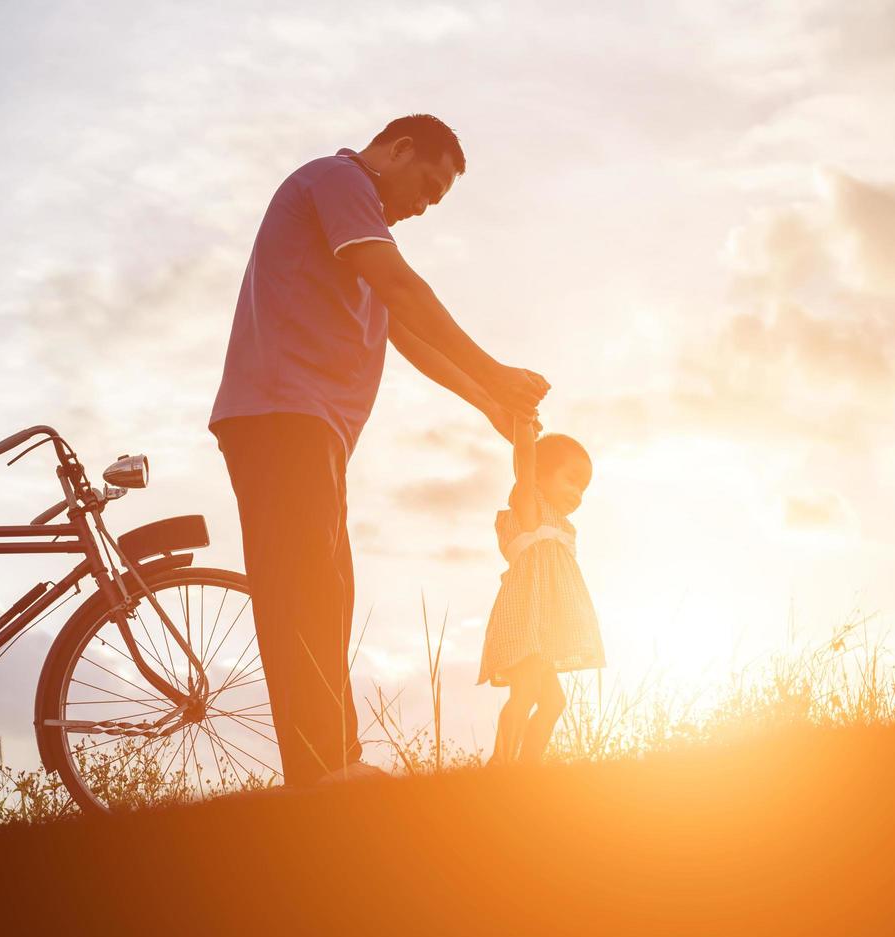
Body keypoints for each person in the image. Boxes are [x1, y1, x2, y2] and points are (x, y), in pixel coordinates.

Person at [209, 114, 549, 787]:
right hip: (281, 412)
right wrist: (497, 371)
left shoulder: (359, 230)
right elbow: (403, 289)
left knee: (327, 592)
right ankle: (320, 772)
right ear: (396, 150)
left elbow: (408, 334)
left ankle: (333, 763)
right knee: (304, 591)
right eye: (427, 184)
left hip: (309, 425)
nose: (424, 206)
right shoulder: (339, 181)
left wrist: (490, 403)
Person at [479, 417, 604, 765]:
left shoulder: (561, 526)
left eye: (584, 489)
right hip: (524, 621)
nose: (577, 494)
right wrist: (523, 427)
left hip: (544, 628)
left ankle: (525, 768)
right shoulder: (529, 510)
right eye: (572, 480)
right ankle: (500, 765)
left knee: (552, 702)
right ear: (538, 476)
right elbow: (524, 466)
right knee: (526, 693)